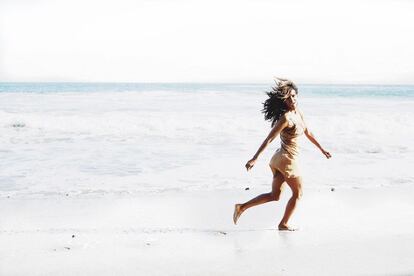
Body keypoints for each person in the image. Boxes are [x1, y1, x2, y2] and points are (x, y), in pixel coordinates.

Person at [233, 78, 332, 231]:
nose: (292, 99)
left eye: (293, 96)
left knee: (275, 195)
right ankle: (283, 224)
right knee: (298, 193)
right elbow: (269, 138)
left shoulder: (298, 112)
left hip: (279, 159)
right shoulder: (285, 118)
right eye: (288, 98)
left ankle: (241, 207)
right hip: (287, 160)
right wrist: (255, 158)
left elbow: (307, 132)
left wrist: (321, 149)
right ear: (284, 101)